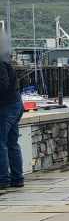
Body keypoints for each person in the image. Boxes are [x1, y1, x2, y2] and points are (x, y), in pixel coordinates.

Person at [0, 35, 24, 190]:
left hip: (7, 107)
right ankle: (17, 178)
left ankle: (2, 179)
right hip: (16, 104)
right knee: (12, 143)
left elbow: (2, 85)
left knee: (0, 143)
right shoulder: (5, 62)